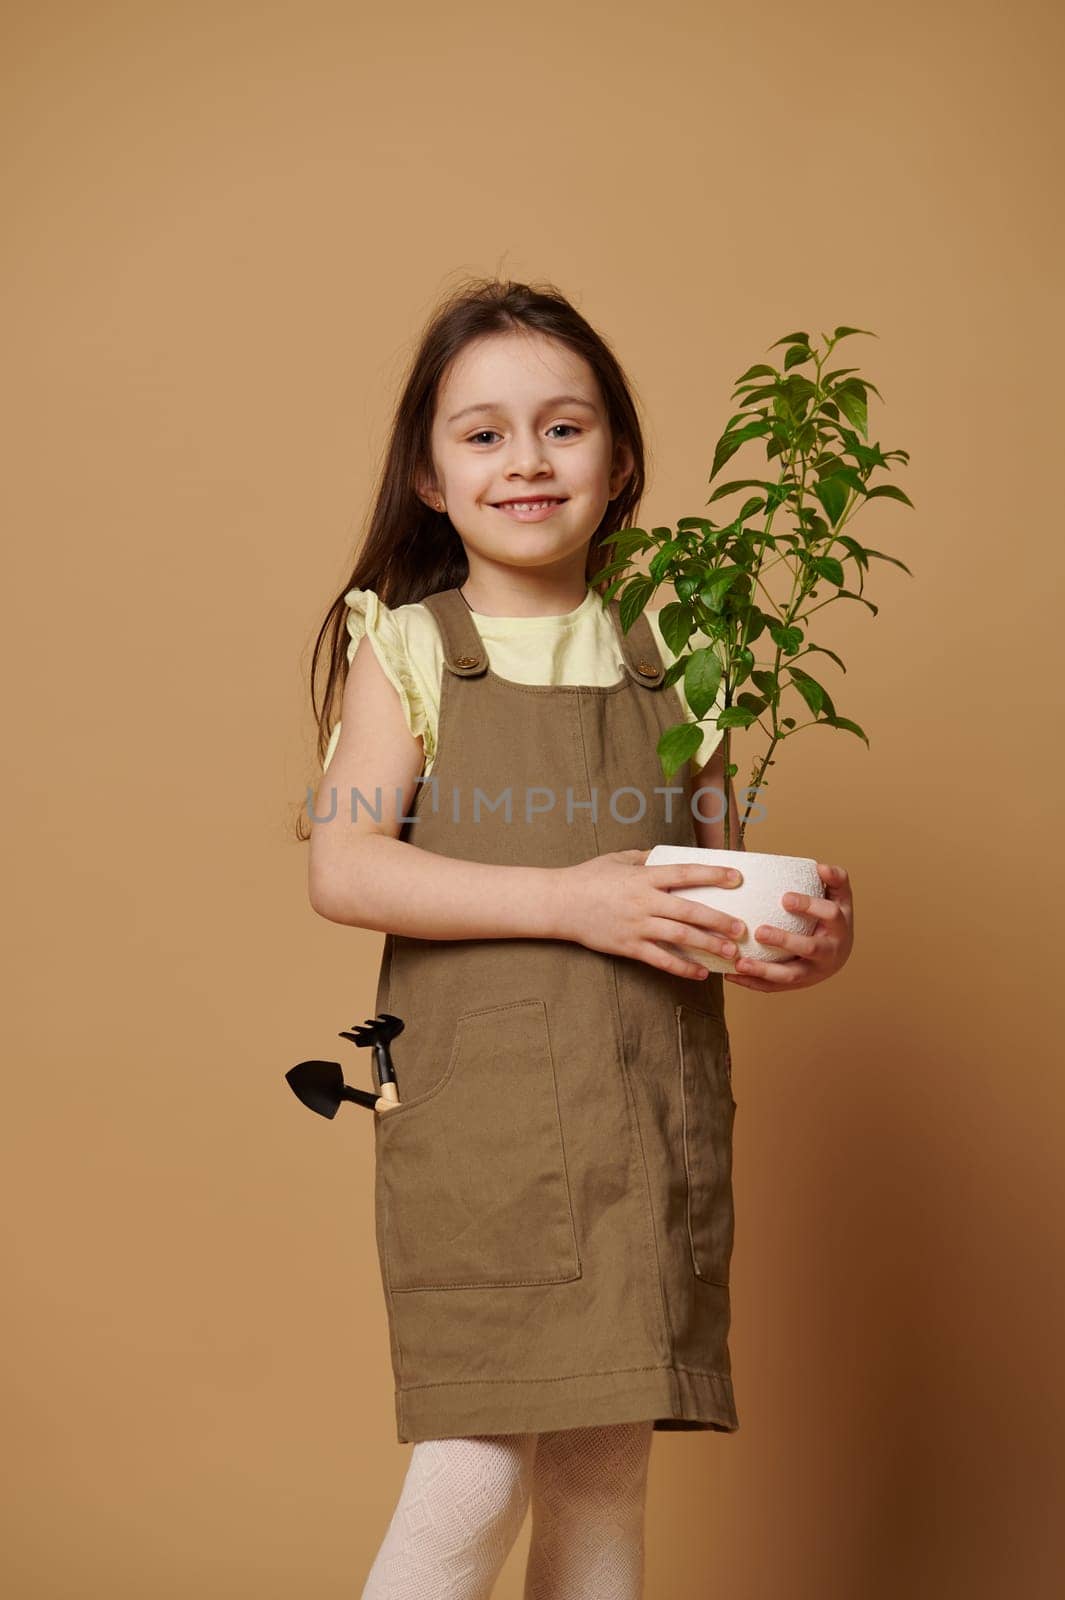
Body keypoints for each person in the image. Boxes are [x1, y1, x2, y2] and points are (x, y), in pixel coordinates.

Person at [302, 278, 855, 1599]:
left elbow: (712, 876)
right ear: (429, 478)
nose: (526, 459)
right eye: (481, 433)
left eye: (563, 426)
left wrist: (802, 935)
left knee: (604, 1472)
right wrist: (566, 899)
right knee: (473, 1470)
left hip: (644, 1120)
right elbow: (344, 865)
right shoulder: (411, 651)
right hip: (481, 1137)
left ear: (619, 463)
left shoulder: (683, 645)